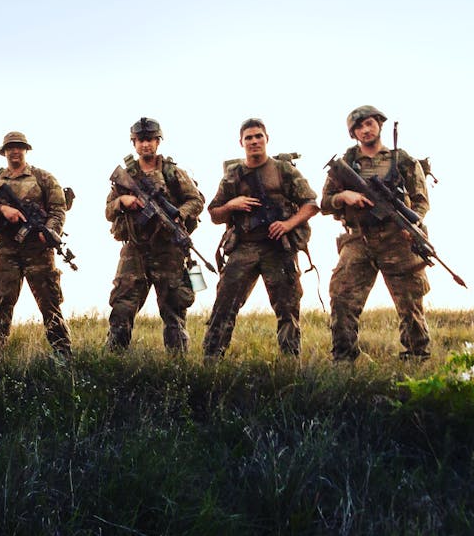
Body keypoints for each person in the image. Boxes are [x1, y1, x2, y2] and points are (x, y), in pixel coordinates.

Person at [322, 105, 431, 362]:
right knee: (342, 298)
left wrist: (412, 226)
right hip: (358, 238)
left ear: (379, 124)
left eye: (369, 123)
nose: (365, 129)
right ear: (353, 133)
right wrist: (343, 196)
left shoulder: (402, 160)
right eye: (359, 127)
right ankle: (344, 359)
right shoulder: (346, 164)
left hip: (396, 238)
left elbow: (420, 201)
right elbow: (325, 202)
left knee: (410, 303)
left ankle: (417, 360)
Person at [202, 118, 319, 359]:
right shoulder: (234, 175)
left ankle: (290, 364)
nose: (254, 141)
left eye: (258, 136)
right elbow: (214, 213)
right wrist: (232, 205)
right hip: (243, 246)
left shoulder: (283, 170)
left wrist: (288, 224)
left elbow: (311, 204)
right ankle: (211, 361)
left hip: (278, 248)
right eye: (249, 138)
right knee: (224, 306)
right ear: (241, 142)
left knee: (288, 308)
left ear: (267, 139)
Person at [104, 118, 205, 353]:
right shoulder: (126, 176)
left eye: (150, 140)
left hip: (167, 249)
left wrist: (179, 214)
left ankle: (177, 365)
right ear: (134, 143)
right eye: (140, 140)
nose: (145, 145)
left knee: (174, 308)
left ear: (158, 142)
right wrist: (123, 201)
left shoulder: (173, 172)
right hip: (135, 250)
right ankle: (112, 360)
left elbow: (197, 200)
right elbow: (108, 211)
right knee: (122, 305)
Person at [0, 131, 71, 357]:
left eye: (19, 147)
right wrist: (2, 210)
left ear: (26, 150)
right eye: (10, 147)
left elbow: (58, 209)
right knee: (1, 302)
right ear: (4, 152)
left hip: (39, 251)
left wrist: (51, 231)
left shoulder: (44, 178)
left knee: (49, 302)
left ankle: (63, 353)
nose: (15, 151)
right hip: (5, 251)